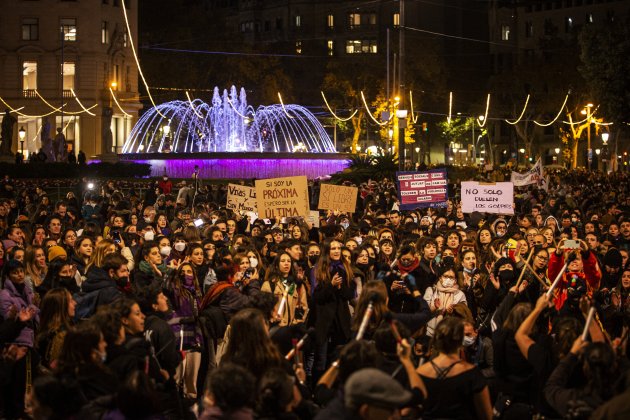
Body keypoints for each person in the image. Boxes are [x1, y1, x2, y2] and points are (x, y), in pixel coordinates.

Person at [417, 317, 492, 419]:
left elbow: (412, 411)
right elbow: (486, 416)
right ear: (459, 340)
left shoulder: (420, 372)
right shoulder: (472, 375)